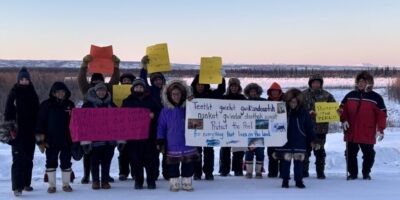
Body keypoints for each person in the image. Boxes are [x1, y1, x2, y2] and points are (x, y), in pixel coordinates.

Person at [78, 54, 120, 184]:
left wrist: (116, 66)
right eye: (95, 82)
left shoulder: (108, 89)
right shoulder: (87, 89)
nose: (97, 84)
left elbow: (115, 79)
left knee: (106, 153)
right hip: (92, 129)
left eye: (100, 81)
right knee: (89, 154)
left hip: (107, 129)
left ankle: (105, 176)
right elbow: (81, 79)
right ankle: (87, 175)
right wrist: (84, 65)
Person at [339, 71, 387, 180]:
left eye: (363, 82)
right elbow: (341, 109)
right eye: (359, 81)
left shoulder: (376, 97)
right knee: (350, 154)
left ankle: (366, 173)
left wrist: (380, 129)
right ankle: (353, 174)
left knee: (369, 155)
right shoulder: (350, 95)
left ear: (369, 83)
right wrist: (344, 120)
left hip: (367, 131)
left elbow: (382, 115)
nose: (361, 84)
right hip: (351, 131)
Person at [273, 88, 320, 189]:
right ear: (288, 102)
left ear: (298, 102)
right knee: (285, 163)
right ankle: (285, 180)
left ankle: (299, 180)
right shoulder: (282, 111)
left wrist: (314, 139)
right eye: (291, 101)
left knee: (298, 163)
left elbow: (309, 127)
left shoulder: (303, 112)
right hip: (285, 141)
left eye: (295, 102)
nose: (293, 104)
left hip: (299, 141)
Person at [157, 80, 199, 192]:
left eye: (178, 94)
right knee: (172, 165)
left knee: (188, 164)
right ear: (169, 95)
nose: (176, 96)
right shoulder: (165, 111)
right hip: (172, 143)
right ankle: (174, 182)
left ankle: (187, 182)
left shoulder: (189, 107)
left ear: (183, 94)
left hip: (188, 142)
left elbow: (198, 121)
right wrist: (160, 139)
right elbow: (161, 126)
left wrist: (193, 102)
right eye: (174, 94)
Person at [4, 67, 39, 196]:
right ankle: (17, 187)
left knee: (29, 159)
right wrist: (11, 129)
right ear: (18, 81)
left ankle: (26, 183)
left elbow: (37, 112)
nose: (24, 81)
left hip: (30, 132)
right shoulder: (14, 93)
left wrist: (38, 129)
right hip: (17, 132)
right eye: (22, 79)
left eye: (26, 79)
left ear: (29, 81)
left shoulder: (33, 93)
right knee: (18, 159)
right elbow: (8, 113)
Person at [36, 82, 75, 193]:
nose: (60, 94)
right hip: (50, 140)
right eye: (58, 92)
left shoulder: (70, 104)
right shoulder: (46, 104)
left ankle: (66, 185)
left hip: (67, 139)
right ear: (53, 93)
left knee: (66, 161)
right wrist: (41, 139)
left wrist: (76, 139)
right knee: (51, 162)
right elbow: (40, 122)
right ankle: (51, 186)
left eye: (63, 92)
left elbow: (76, 122)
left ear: (66, 92)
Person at [122, 79, 161, 189]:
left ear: (144, 88)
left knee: (150, 159)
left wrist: (154, 115)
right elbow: (121, 117)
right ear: (133, 88)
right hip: (133, 137)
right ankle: (138, 181)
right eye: (136, 87)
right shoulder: (127, 101)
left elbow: (160, 113)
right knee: (135, 159)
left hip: (149, 135)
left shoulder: (152, 100)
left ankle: (151, 181)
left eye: (141, 87)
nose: (139, 89)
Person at [81, 83, 119, 190]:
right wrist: (85, 141)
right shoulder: (87, 105)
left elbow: (119, 120)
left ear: (106, 92)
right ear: (95, 92)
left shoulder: (111, 104)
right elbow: (82, 123)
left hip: (109, 140)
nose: (101, 92)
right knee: (94, 162)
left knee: (106, 161)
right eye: (99, 90)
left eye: (103, 90)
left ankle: (105, 181)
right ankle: (96, 181)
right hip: (94, 140)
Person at [190, 74, 226, 180]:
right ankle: (197, 172)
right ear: (195, 85)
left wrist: (220, 77)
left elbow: (221, 90)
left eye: (202, 84)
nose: (200, 87)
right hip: (195, 125)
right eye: (198, 84)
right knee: (196, 151)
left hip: (209, 127)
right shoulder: (190, 95)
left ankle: (209, 172)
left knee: (209, 150)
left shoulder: (211, 94)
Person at [301, 74, 336, 179]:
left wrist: (338, 111)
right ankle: (304, 172)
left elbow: (334, 109)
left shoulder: (327, 95)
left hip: (321, 129)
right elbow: (297, 109)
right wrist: (308, 113)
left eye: (318, 82)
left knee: (320, 152)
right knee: (305, 151)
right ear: (310, 83)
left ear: (321, 84)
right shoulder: (303, 95)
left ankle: (320, 172)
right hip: (306, 129)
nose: (316, 84)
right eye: (314, 82)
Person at [140, 56, 168, 179]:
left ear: (163, 80)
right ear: (152, 81)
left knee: (168, 151)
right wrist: (144, 67)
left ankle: (168, 173)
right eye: (155, 80)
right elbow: (142, 80)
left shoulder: (168, 90)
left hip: (167, 124)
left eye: (160, 79)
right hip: (154, 125)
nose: (158, 81)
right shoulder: (149, 91)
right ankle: (155, 173)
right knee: (154, 152)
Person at [220, 78, 246, 176]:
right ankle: (224, 170)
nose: (234, 88)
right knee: (225, 150)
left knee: (238, 150)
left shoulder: (243, 98)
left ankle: (238, 170)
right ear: (229, 87)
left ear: (238, 87)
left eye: (235, 86)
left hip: (239, 127)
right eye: (232, 86)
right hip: (225, 127)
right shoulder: (224, 97)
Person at [243, 83, 266, 179]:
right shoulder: (244, 103)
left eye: (254, 91)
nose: (253, 93)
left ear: (258, 92)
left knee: (260, 152)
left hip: (260, 130)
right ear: (248, 93)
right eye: (251, 91)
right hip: (247, 131)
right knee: (248, 152)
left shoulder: (264, 102)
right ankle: (248, 172)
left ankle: (258, 171)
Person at [117, 72, 136, 181]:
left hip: (134, 126)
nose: (126, 82)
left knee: (134, 151)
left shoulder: (137, 95)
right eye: (124, 81)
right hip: (121, 126)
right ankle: (123, 172)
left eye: (129, 81)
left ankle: (134, 172)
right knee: (122, 151)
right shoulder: (116, 92)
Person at [266, 82, 284, 178]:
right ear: (270, 92)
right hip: (270, 133)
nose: (274, 93)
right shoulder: (267, 102)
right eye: (272, 91)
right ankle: (272, 173)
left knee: (282, 153)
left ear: (279, 91)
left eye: (276, 91)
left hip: (281, 131)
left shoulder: (284, 101)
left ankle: (283, 172)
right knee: (271, 153)